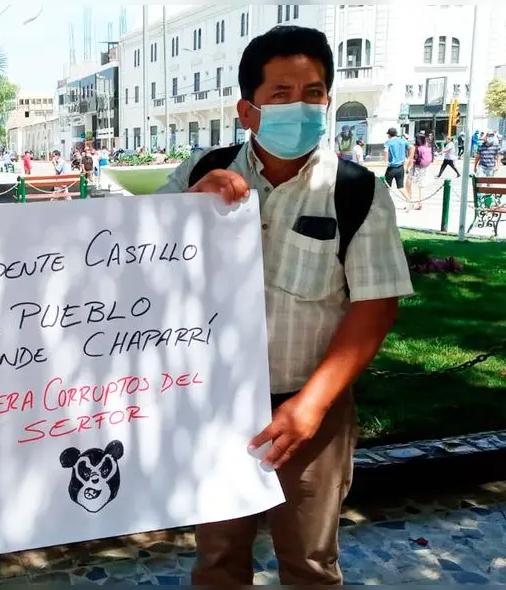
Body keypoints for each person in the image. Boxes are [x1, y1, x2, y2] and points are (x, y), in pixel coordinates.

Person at [156, 25, 412, 585]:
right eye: (281, 95)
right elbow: (132, 261)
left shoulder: (357, 191)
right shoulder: (200, 174)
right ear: (248, 111)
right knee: (219, 559)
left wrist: (313, 405)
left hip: (310, 408)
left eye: (314, 92)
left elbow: (376, 303)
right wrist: (184, 214)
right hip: (216, 406)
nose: (302, 106)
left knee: (310, 564)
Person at [383, 127, 410, 200]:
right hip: (400, 167)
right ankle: (409, 200)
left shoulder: (388, 142)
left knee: (386, 186)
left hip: (391, 168)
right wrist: (409, 158)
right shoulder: (402, 141)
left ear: (389, 135)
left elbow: (385, 151)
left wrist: (386, 161)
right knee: (401, 187)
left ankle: (386, 202)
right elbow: (411, 147)